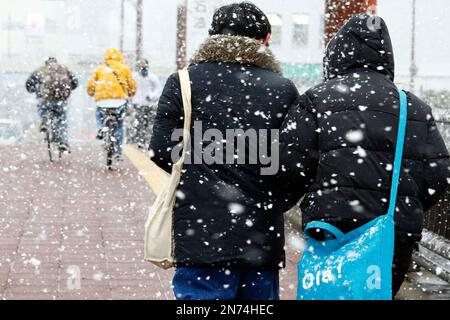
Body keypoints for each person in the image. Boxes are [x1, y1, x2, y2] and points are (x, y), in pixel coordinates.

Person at [279, 14, 450, 298]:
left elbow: (290, 166)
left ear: (336, 54)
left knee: (328, 292)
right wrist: (404, 203)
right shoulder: (413, 107)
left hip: (332, 228)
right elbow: (438, 173)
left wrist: (312, 199)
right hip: (391, 234)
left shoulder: (316, 99)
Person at [150, 2, 301, 300]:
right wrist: (271, 199)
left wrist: (199, 173)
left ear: (211, 37)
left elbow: (160, 149)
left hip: (199, 231)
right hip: (260, 234)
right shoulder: (283, 89)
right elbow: (295, 164)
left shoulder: (183, 82)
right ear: (265, 40)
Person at [87, 48, 137, 160]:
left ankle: (101, 127)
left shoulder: (100, 70)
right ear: (119, 57)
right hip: (119, 101)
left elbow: (90, 87)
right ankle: (118, 152)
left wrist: (92, 93)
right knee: (119, 125)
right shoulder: (124, 69)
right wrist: (130, 93)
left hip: (102, 101)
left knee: (99, 113)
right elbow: (132, 86)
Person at [26, 57, 78, 152]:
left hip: (45, 100)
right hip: (60, 101)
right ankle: (63, 142)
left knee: (42, 108)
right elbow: (75, 83)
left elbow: (29, 85)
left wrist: (36, 90)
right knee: (62, 121)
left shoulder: (40, 70)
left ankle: (45, 121)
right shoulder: (64, 69)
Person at [132, 59, 161, 149]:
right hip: (137, 103)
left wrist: (151, 96)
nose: (143, 68)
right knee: (139, 121)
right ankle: (140, 139)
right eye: (141, 66)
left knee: (147, 122)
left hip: (148, 104)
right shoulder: (134, 76)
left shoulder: (153, 77)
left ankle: (144, 140)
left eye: (144, 66)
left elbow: (158, 89)